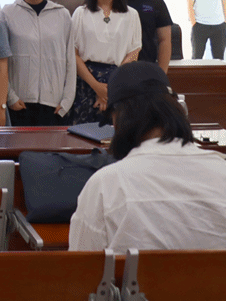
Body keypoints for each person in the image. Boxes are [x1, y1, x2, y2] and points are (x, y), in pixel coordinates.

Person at [69, 62, 226, 251]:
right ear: (177, 110)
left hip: (133, 272)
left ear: (119, 118)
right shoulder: (222, 172)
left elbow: (80, 264)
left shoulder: (105, 185)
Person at [0, 0, 75, 126]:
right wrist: (10, 97)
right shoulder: (8, 13)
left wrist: (67, 101)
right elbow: (1, 59)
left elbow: (70, 60)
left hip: (54, 103)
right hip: (19, 102)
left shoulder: (62, 14)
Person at [71, 0, 142, 125]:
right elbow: (73, 54)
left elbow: (134, 52)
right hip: (86, 83)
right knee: (83, 133)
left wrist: (110, 87)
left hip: (119, 83)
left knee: (116, 133)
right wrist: (97, 86)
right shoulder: (80, 13)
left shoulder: (131, 14)